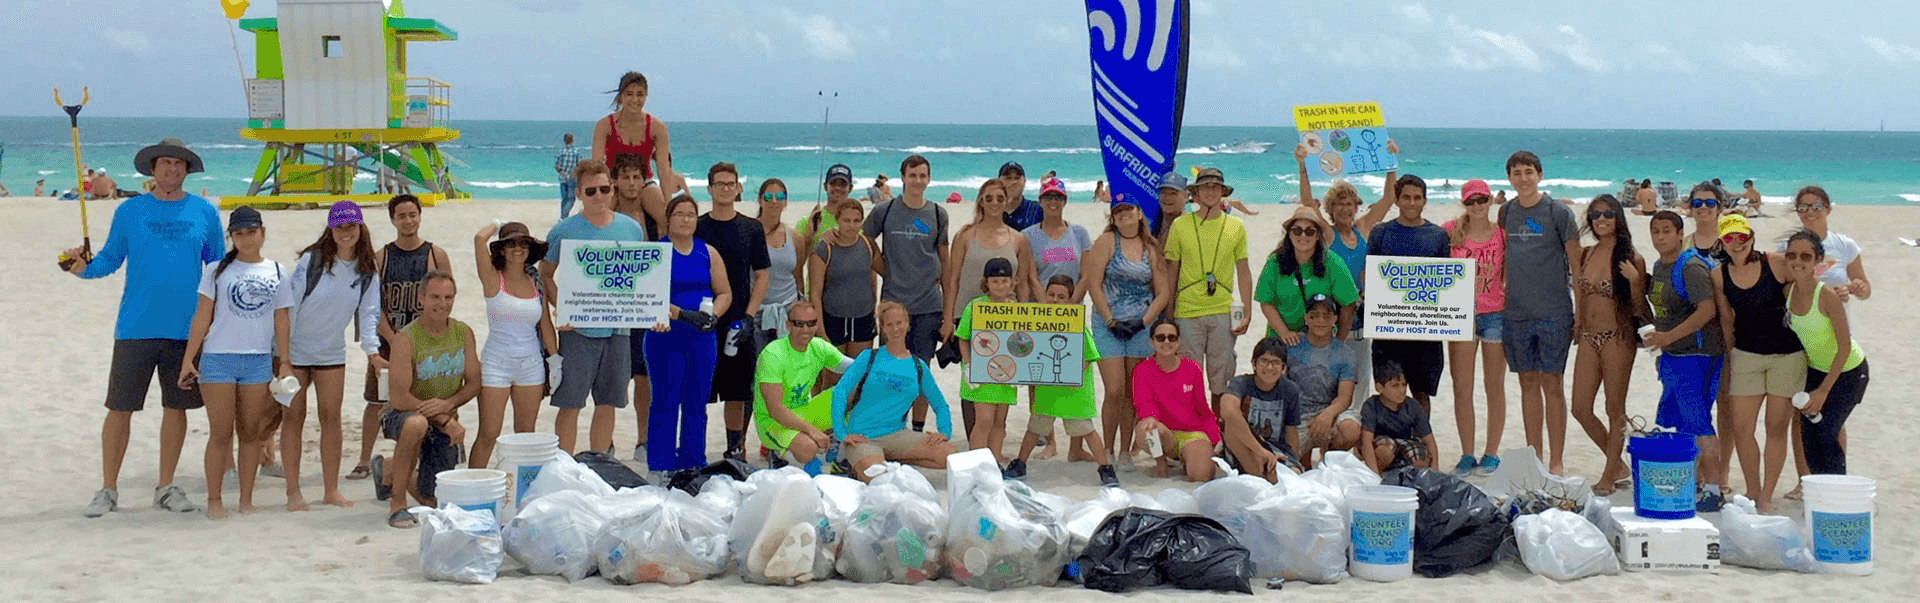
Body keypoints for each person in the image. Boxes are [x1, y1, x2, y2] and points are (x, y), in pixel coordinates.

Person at [66, 138, 222, 518]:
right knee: (119, 409)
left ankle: (165, 486)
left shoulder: (204, 212)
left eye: (178, 164)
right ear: (152, 169)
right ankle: (108, 489)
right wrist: (80, 267)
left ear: (187, 170)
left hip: (186, 332)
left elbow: (218, 270)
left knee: (176, 408)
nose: (171, 170)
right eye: (165, 163)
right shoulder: (130, 211)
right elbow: (108, 260)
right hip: (135, 327)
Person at [179, 206, 293, 518]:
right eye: (239, 233)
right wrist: (189, 359)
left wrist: (284, 362)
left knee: (251, 434)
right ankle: (214, 500)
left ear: (262, 233)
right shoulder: (216, 270)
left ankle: (246, 500)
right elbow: (202, 316)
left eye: (251, 232)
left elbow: (281, 320)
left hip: (257, 361)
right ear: (232, 237)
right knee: (220, 433)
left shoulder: (278, 271)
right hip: (218, 359)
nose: (245, 238)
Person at [538, 159, 646, 454]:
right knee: (571, 403)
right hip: (578, 331)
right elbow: (544, 273)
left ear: (613, 189)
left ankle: (599, 461)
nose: (598, 196)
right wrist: (563, 306)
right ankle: (564, 463)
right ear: (579, 194)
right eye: (590, 191)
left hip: (619, 330)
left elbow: (641, 278)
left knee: (608, 402)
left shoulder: (632, 229)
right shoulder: (564, 230)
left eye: (603, 189)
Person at [284, 201, 381, 509]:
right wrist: (282, 356)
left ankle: (330, 490)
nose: (345, 232)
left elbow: (368, 314)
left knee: (331, 419)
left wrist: (373, 353)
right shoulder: (311, 262)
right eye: (340, 227)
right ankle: (292, 492)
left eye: (351, 226)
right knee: (292, 419)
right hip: (296, 353)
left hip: (331, 354)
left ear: (360, 227)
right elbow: (289, 307)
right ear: (331, 229)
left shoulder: (366, 271)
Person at [351, 194, 451, 481]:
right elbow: (372, 305)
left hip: (426, 342)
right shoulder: (382, 257)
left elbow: (445, 298)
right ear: (393, 219)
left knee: (430, 399)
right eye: (401, 216)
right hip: (388, 341)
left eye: (412, 214)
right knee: (375, 401)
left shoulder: (435, 255)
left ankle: (429, 455)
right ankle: (363, 458)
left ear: (420, 216)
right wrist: (393, 339)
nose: (408, 220)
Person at [1711, 214, 1802, 512]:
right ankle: (1752, 490)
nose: (1736, 243)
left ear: (1750, 236)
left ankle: (1765, 495)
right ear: (1722, 242)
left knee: (1775, 427)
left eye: (1741, 236)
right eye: (1729, 238)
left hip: (1787, 356)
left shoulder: (1775, 263)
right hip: (1745, 355)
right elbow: (1726, 320)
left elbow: (1805, 288)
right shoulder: (1719, 274)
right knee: (1741, 427)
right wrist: (1727, 359)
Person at [1497, 150, 1581, 475]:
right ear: (1509, 179)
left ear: (1540, 175)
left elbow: (1576, 266)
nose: (1523, 178)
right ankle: (1535, 458)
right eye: (1516, 173)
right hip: (1516, 313)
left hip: (1554, 312)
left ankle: (1557, 462)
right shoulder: (1506, 212)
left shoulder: (1558, 212)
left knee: (1553, 384)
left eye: (1528, 171)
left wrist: (1581, 313)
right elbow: (1501, 257)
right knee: (1527, 384)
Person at [376, 271, 481, 529]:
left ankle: (388, 470)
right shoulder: (406, 338)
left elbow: (475, 383)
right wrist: (443, 417)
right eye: (435, 297)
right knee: (416, 425)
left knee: (433, 501)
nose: (442, 303)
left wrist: (448, 405)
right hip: (404, 413)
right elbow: (399, 398)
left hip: (443, 416)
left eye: (448, 297)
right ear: (421, 298)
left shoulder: (463, 332)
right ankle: (397, 503)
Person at [1297, 145, 1397, 395]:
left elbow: (1387, 200)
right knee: (1333, 371)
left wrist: (1391, 162)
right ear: (1331, 209)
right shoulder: (1328, 234)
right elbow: (1308, 203)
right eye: (1340, 204)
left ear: (1356, 207)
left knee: (1361, 373)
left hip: (1363, 312)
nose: (1345, 209)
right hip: (1334, 310)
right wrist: (1302, 165)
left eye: (1350, 204)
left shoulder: (1363, 228)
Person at [644, 194, 732, 475]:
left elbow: (725, 292)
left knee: (696, 403)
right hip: (664, 337)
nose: (685, 219)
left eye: (690, 214)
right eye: (679, 214)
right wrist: (670, 311)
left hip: (701, 338)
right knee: (664, 401)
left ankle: (693, 462)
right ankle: (660, 465)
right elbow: (644, 294)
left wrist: (714, 314)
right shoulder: (655, 252)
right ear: (668, 219)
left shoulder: (708, 252)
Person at [1644, 210, 1726, 512]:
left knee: (1698, 421)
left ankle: (1715, 489)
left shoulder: (1690, 266)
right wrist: (1663, 345)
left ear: (1681, 234)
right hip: (1673, 356)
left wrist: (1669, 338)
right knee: (1676, 422)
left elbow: (1707, 311)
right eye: (1656, 231)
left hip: (1697, 356)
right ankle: (1692, 482)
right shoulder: (1658, 265)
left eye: (1667, 231)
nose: (1661, 237)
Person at [1003, 276, 1118, 487]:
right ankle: (1020, 463)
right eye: (1051, 295)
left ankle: (1105, 468)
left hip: (1073, 392)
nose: (1055, 300)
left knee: (1087, 430)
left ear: (1070, 299)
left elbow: (1089, 356)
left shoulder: (1076, 325)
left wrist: (1072, 376)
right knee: (1034, 427)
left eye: (1061, 297)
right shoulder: (1038, 323)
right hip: (1048, 390)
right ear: (1044, 296)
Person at [1568, 195, 1647, 496]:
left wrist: (1637, 281)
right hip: (1588, 338)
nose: (1600, 219)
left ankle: (1608, 474)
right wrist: (1577, 324)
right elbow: (1582, 295)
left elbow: (1638, 308)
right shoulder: (1587, 254)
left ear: (1618, 218)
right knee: (1579, 408)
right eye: (1595, 214)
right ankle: (1618, 465)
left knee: (1615, 409)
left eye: (1607, 214)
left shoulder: (1630, 257)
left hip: (1617, 338)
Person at [943, 180, 1034, 435]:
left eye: (999, 198)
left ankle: (994, 442)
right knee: (972, 381)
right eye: (989, 198)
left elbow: (1023, 282)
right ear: (981, 201)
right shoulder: (965, 236)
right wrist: (948, 319)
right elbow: (952, 280)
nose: (994, 203)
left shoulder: (1018, 239)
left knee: (1001, 378)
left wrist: (1025, 318)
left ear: (1006, 202)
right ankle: (975, 442)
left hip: (1006, 319)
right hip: (968, 316)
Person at [1084, 197, 1170, 468]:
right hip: (1108, 325)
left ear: (1139, 214)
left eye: (1128, 212)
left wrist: (1143, 321)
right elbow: (1094, 285)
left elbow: (1163, 292)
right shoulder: (1106, 242)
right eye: (1118, 213)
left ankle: (1125, 450)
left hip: (1139, 326)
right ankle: (1107, 448)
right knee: (1114, 389)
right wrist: (1110, 320)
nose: (1123, 217)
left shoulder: (1150, 247)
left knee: (1133, 392)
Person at [696, 162, 772, 461]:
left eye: (731, 184)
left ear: (738, 188)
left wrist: (750, 316)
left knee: (737, 391)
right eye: (720, 184)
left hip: (738, 320)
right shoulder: (698, 227)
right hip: (701, 318)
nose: (726, 188)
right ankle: (694, 448)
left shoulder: (751, 228)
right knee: (699, 389)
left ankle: (735, 447)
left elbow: (762, 273)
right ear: (710, 188)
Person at [834, 301, 956, 481]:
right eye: (889, 324)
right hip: (863, 436)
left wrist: (944, 432)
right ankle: (853, 463)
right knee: (880, 478)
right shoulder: (869, 357)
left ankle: (889, 458)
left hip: (897, 435)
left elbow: (940, 404)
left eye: (899, 323)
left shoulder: (918, 366)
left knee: (951, 457)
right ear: (882, 328)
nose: (895, 329)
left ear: (907, 324)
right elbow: (840, 391)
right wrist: (841, 433)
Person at [1163, 167, 1253, 411]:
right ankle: (1193, 429)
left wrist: (1247, 310)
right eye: (1205, 187)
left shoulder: (1236, 226)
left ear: (1223, 192)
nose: (1211, 192)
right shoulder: (1181, 225)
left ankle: (1219, 430)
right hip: (1188, 310)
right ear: (1196, 193)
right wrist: (1169, 310)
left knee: (1221, 377)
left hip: (1223, 310)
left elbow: (1243, 269)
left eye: (1215, 187)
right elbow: (1172, 270)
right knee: (1189, 378)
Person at [469, 221, 557, 469]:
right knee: (488, 433)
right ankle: (473, 488)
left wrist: (555, 359)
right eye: (511, 244)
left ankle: (520, 490)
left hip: (531, 365)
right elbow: (478, 238)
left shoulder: (536, 281)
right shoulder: (492, 279)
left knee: (525, 435)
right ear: (501, 250)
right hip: (495, 364)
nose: (518, 249)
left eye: (523, 244)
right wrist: (498, 223)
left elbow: (546, 325)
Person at [1782, 230, 1869, 477]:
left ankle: (1838, 493)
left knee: (1827, 431)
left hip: (1849, 372)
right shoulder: (1787, 293)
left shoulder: (1827, 296)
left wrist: (1822, 391)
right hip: (1816, 371)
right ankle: (1817, 493)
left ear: (1818, 261)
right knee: (1808, 435)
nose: (1797, 261)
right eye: (1792, 255)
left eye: (1805, 256)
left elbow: (1843, 346)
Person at [1366, 174, 1448, 412]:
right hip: (1388, 330)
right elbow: (1373, 277)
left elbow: (1446, 284)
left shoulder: (1438, 236)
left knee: (1422, 394)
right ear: (1397, 200)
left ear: (1424, 201)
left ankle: (1421, 443)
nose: (1412, 203)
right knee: (1390, 392)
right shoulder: (1380, 232)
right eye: (1406, 198)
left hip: (1426, 330)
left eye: (1417, 198)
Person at [1441, 179, 1507, 475]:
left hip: (1495, 313)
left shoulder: (1502, 235)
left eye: (1482, 200)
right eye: (1471, 202)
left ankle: (1491, 453)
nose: (1477, 206)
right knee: (1462, 387)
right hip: (1459, 315)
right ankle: (1467, 453)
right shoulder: (1449, 232)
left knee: (1494, 387)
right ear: (1464, 204)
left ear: (1491, 200)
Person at [866, 155, 951, 364]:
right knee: (890, 372)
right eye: (912, 175)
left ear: (929, 179)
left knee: (920, 374)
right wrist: (882, 268)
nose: (917, 180)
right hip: (893, 305)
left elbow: (946, 264)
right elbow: (863, 239)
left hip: (928, 307)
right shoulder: (884, 211)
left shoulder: (938, 214)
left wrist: (948, 316)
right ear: (903, 177)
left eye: (922, 175)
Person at [753, 300, 854, 472]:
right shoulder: (773, 354)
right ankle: (778, 452)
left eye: (811, 323)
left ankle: (838, 448)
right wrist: (812, 431)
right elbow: (775, 410)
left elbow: (856, 366)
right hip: (772, 422)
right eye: (799, 324)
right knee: (808, 449)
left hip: (803, 411)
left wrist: (890, 366)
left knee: (855, 391)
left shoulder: (818, 347)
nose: (806, 330)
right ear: (788, 325)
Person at [609, 153, 660, 462]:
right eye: (625, 177)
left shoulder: (652, 217)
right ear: (615, 181)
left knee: (644, 377)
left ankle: (642, 440)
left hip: (644, 307)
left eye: (636, 177)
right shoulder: (605, 214)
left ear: (644, 181)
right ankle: (608, 442)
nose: (630, 183)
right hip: (611, 307)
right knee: (613, 378)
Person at [1132, 319, 1223, 482]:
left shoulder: (1192, 368)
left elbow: (1202, 407)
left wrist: (1215, 440)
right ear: (1152, 342)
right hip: (1163, 433)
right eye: (1160, 338)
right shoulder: (1142, 370)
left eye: (1171, 338)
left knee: (1200, 476)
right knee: (1148, 427)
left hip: (1192, 433)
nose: (1166, 342)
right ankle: (1161, 465)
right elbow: (1143, 403)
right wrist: (1151, 417)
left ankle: (1188, 458)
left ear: (1179, 342)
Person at [1255, 206, 1357, 342]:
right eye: (1297, 231)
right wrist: (1285, 333)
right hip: (1282, 339)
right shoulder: (1275, 262)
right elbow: (1266, 302)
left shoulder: (1333, 263)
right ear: (1289, 234)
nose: (1303, 236)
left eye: (1309, 231)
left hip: (1320, 341)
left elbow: (1348, 304)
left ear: (1318, 235)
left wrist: (1338, 341)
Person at [955, 258, 1022, 463]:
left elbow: (1022, 341)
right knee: (984, 419)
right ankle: (977, 460)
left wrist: (1020, 369)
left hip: (1007, 371)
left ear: (1011, 282)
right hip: (981, 371)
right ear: (986, 283)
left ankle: (995, 457)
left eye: (1004, 281)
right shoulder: (975, 306)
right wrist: (968, 366)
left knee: (1000, 420)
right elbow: (963, 338)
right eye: (995, 281)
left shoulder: (1017, 308)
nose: (1000, 286)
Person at [1288, 295, 1363, 467]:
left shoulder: (1345, 353)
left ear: (1335, 319)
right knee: (1291, 466)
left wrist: (1327, 415)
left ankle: (1329, 461)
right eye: (1314, 315)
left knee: (1351, 429)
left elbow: (1345, 397)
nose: (1320, 321)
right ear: (1306, 318)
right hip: (1298, 415)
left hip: (1330, 411)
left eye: (1327, 315)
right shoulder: (1291, 346)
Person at [591, 71, 674, 223]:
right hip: (613, 182)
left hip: (644, 182)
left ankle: (662, 246)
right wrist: (598, 193)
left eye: (640, 94)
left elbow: (663, 169)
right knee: (599, 218)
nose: (635, 99)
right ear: (621, 96)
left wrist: (669, 202)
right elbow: (596, 166)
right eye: (629, 94)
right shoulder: (604, 125)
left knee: (665, 218)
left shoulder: (657, 127)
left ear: (646, 96)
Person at [1220, 337, 1306, 482]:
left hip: (1275, 448)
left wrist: (1292, 459)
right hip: (1246, 444)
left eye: (1276, 363)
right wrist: (1260, 451)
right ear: (1254, 364)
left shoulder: (1290, 390)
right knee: (1231, 428)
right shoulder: (1241, 383)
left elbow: (1291, 432)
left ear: (1283, 368)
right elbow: (1227, 411)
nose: (1269, 367)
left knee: (1291, 476)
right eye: (1264, 361)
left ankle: (1265, 477)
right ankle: (1260, 477)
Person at [810, 200, 882, 360]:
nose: (851, 225)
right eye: (846, 220)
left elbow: (888, 274)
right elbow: (814, 293)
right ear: (837, 220)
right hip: (832, 320)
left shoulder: (868, 245)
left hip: (863, 319)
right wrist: (820, 331)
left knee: (858, 374)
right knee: (832, 378)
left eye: (856, 221)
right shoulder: (824, 249)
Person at [1357, 361, 1439, 474]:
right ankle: (1380, 475)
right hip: (1381, 444)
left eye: (1404, 385)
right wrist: (1373, 474)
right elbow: (1366, 440)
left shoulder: (1413, 406)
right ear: (1379, 387)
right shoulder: (1371, 406)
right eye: (1395, 386)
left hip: (1405, 442)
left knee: (1420, 459)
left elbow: (1429, 440)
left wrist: (1435, 471)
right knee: (1384, 452)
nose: (1401, 390)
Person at [1022, 178, 1093, 302]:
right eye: (1048, 197)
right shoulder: (1027, 235)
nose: (1053, 202)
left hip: (1072, 308)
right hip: (1041, 307)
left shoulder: (1080, 233)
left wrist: (1070, 305)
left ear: (1065, 202)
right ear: (1040, 201)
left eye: (1058, 198)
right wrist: (1049, 308)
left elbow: (1085, 276)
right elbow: (1032, 278)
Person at [796, 163, 860, 286]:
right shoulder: (808, 221)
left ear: (850, 188)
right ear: (825, 186)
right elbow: (796, 266)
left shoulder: (857, 222)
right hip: (816, 295)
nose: (837, 188)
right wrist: (809, 239)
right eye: (833, 184)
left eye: (842, 184)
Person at [756, 178, 801, 341]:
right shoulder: (748, 233)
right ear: (760, 200)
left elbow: (798, 277)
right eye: (768, 197)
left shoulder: (795, 237)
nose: (774, 201)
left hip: (788, 312)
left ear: (786, 202)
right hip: (756, 313)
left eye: (780, 197)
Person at [997, 161, 1045, 231]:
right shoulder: (993, 211)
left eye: (1017, 178)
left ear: (1024, 181)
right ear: (999, 182)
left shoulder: (1037, 209)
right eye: (1008, 178)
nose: (1013, 182)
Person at [1152, 170, 1187, 240]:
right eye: (1163, 192)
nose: (1167, 198)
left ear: (1185, 196)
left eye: (1173, 193)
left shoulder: (1187, 229)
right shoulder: (1155, 222)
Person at [554, 132, 581, 217]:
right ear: (572, 140)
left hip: (562, 177)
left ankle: (563, 217)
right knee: (571, 199)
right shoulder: (576, 151)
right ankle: (564, 217)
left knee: (564, 199)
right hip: (572, 178)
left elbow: (557, 166)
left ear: (564, 141)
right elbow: (579, 165)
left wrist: (562, 172)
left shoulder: (561, 151)